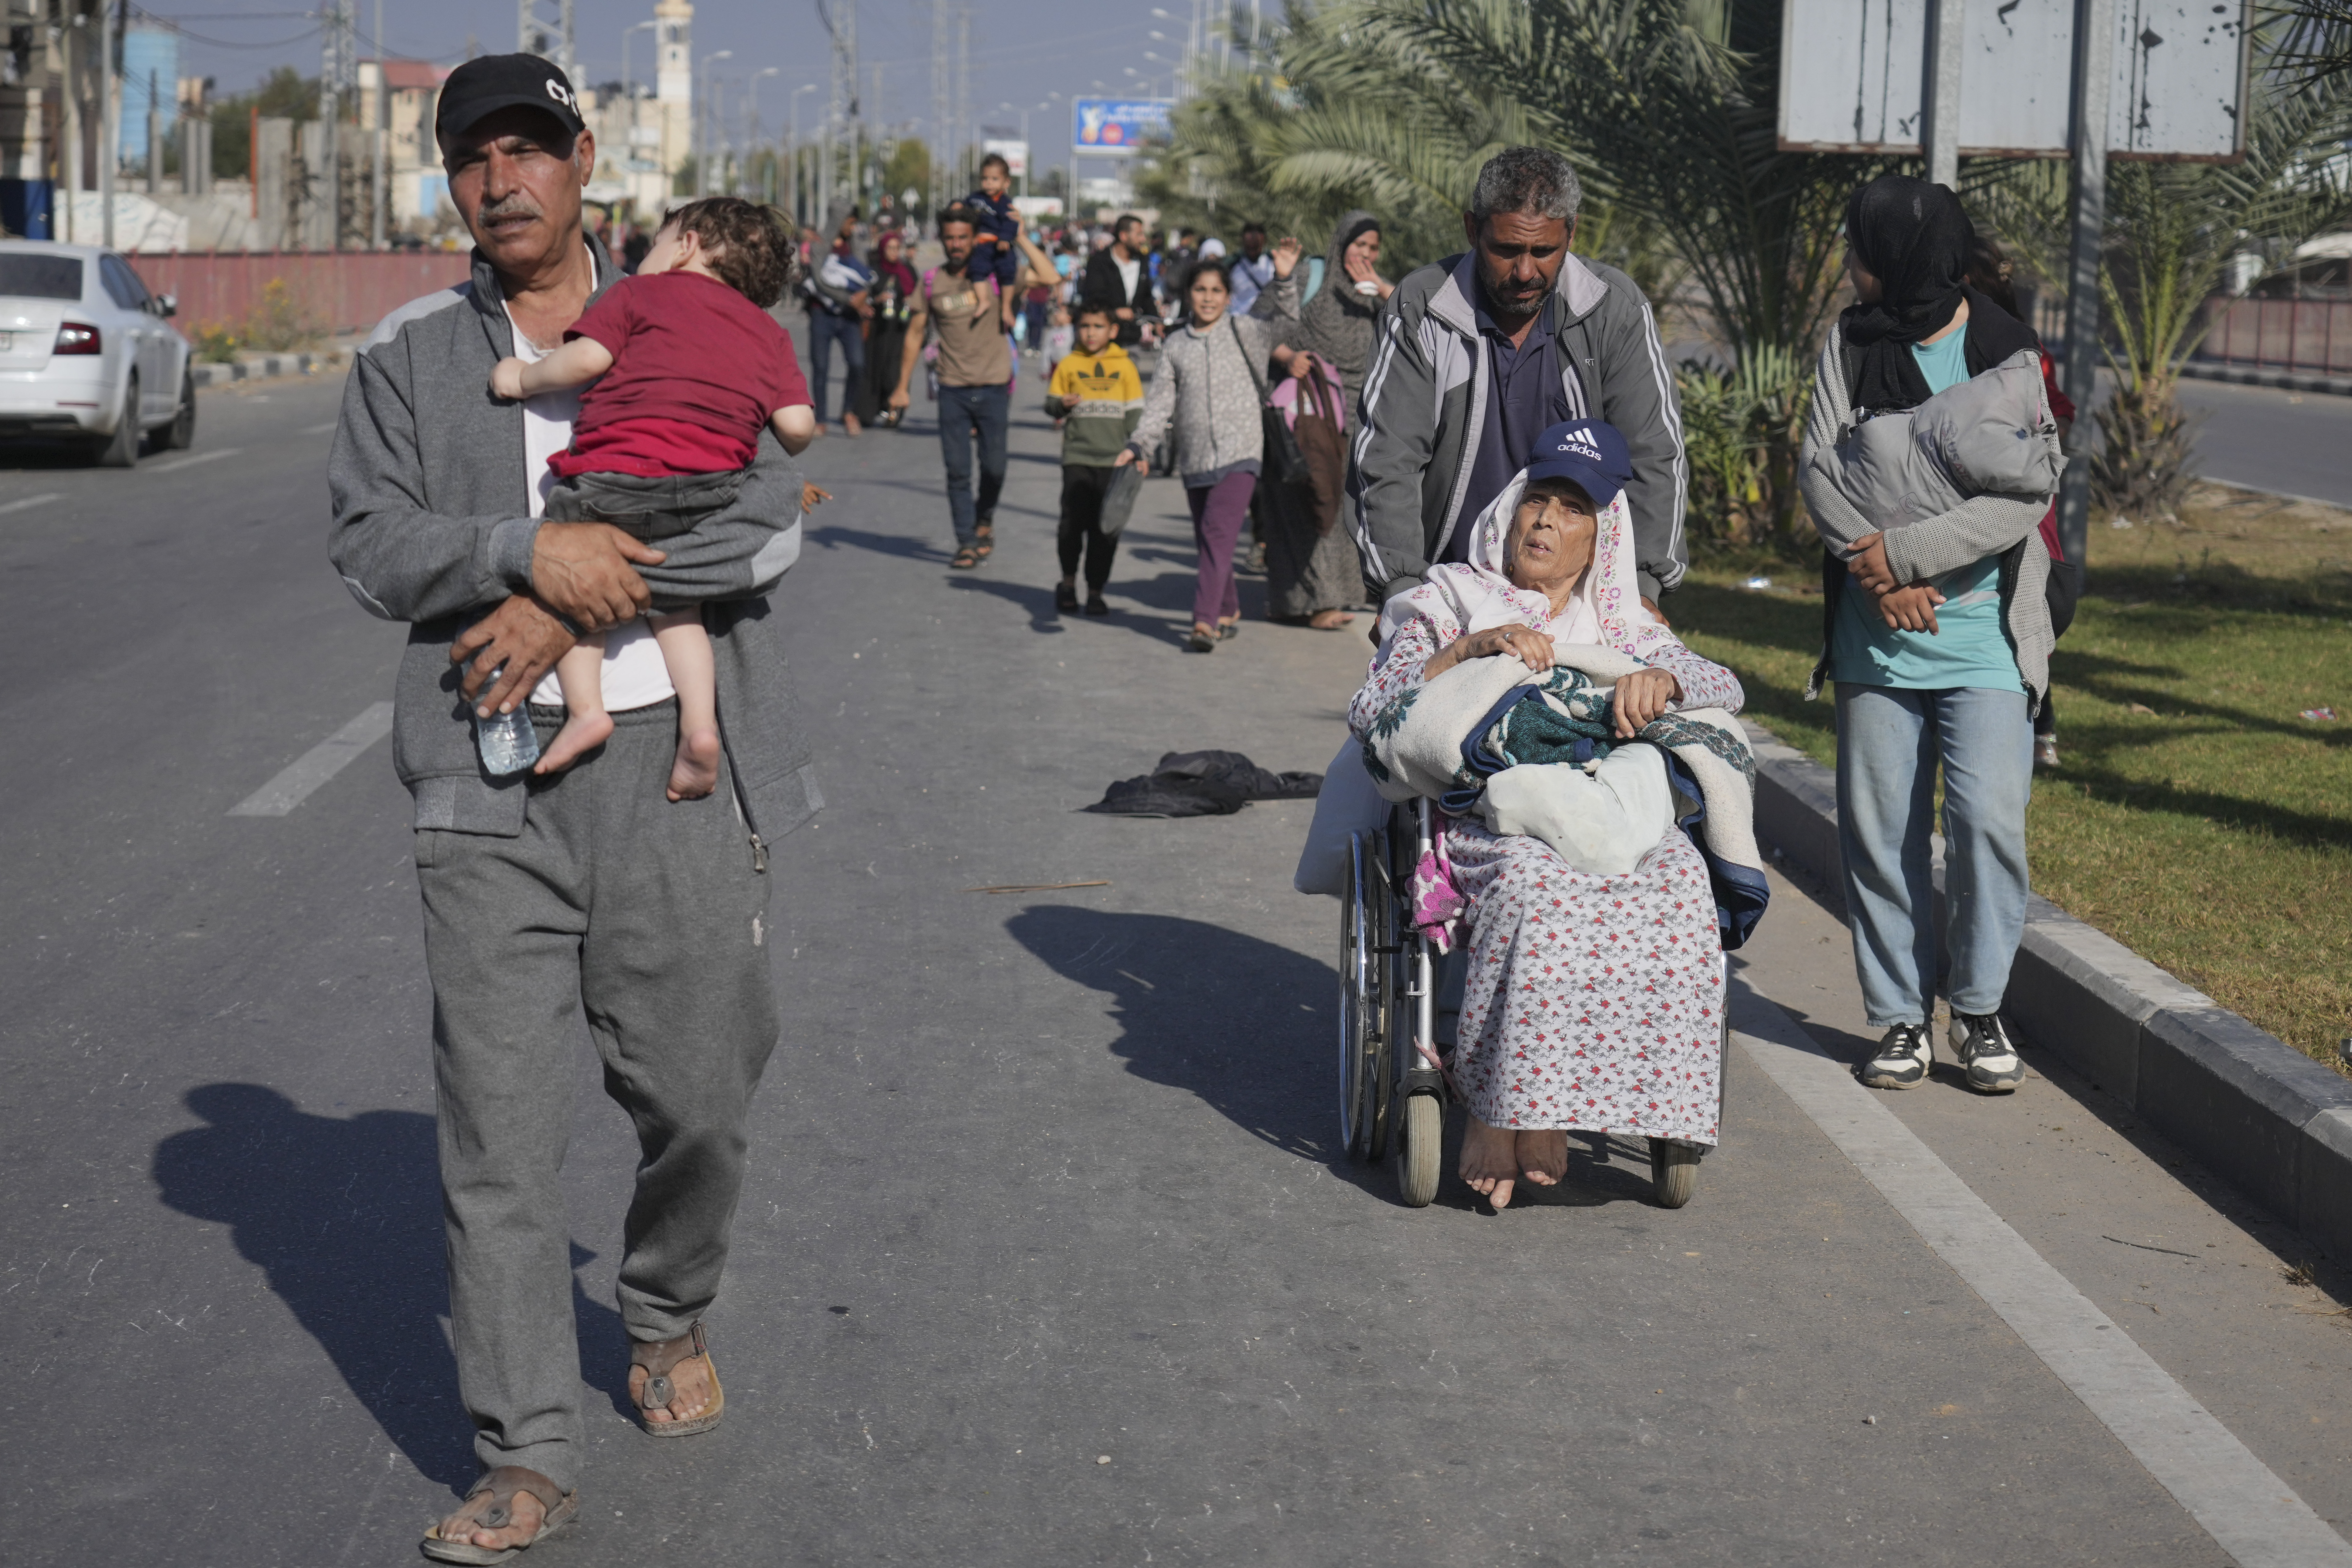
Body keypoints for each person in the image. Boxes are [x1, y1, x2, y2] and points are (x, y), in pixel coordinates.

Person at [327, 54, 821, 1560]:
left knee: (701, 1095)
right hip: (482, 782)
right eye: (474, 158)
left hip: (672, 770)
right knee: (496, 1132)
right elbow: (371, 542)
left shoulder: (704, 305)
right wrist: (519, 557)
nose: (503, 181)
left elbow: (769, 521)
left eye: (528, 149)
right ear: (450, 181)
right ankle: (526, 1447)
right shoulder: (412, 355)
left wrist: (577, 596)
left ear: (584, 158)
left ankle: (665, 1306)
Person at [1347, 418, 1745, 1209]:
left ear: (1600, 537)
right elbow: (1375, 704)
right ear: (1511, 508)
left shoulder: (1623, 625)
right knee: (1539, 888)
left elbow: (1724, 687)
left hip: (1610, 807)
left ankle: (1575, 1100)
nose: (1545, 522)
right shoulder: (1449, 599)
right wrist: (1470, 650)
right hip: (1488, 813)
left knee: (1678, 886)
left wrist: (1663, 683)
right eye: (1538, 500)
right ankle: (1503, 1107)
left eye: (1571, 510)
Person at [1798, 174, 2056, 1097]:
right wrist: (1880, 577)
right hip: (1875, 637)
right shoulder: (1850, 343)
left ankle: (1978, 1008)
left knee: (1986, 821)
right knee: (1880, 834)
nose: (1850, 264)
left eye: (1860, 248)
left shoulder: (2004, 347)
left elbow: (2026, 493)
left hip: (1984, 632)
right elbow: (1818, 469)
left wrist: (1904, 554)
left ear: (1908, 256)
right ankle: (1899, 1017)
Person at [488, 196, 815, 796]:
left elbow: (587, 359)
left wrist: (522, 378)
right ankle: (699, 727)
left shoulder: (639, 294)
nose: (649, 254)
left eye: (659, 241)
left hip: (613, 478)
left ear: (687, 245)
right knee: (680, 609)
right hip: (709, 490)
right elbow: (797, 427)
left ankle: (586, 710)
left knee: (574, 574)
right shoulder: (769, 333)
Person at [1351, 145, 1688, 618]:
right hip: (1444, 593)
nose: (1525, 272)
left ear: (1571, 232)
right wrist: (1402, 590)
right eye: (1506, 250)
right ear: (1473, 230)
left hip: (1579, 603)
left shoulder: (1616, 311)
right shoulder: (1421, 308)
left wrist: (1641, 589)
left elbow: (1655, 455)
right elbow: (1387, 458)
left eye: (1543, 251)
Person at [1116, 241, 1302, 651]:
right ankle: (1228, 608)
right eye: (1200, 290)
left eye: (1216, 291)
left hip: (1241, 453)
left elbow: (1286, 320)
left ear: (1228, 296)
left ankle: (1203, 621)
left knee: (1217, 534)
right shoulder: (1176, 346)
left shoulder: (1246, 330)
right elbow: (1160, 403)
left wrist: (1284, 278)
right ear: (1188, 294)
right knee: (1209, 539)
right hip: (1195, 457)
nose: (1207, 298)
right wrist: (1139, 444)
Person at [1965, 233, 2078, 769]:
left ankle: (2040, 723)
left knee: (2027, 615)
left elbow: (2058, 415)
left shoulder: (2021, 351)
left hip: (2023, 516)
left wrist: (2025, 450)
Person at [889, 206, 1050, 568]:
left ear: (976, 239)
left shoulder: (997, 275)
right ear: (942, 240)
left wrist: (1019, 236)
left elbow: (1048, 276)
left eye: (963, 237)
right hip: (952, 388)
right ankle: (965, 541)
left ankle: (984, 519)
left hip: (995, 387)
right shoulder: (932, 281)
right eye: (950, 238)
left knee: (995, 468)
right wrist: (902, 387)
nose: (956, 245)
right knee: (958, 470)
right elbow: (915, 334)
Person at [1258, 209, 1391, 631]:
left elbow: (1418, 325)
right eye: (1359, 244)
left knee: (1337, 503)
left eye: (1373, 247)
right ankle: (1304, 601)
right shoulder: (1307, 278)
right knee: (1302, 501)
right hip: (1303, 409)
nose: (1365, 254)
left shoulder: (1375, 292)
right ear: (1341, 244)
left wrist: (1382, 290)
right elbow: (1259, 327)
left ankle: (1323, 597)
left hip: (1352, 415)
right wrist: (1287, 357)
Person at [1045, 302, 1146, 615]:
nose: (1091, 333)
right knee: (1071, 525)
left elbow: (1135, 413)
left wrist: (1139, 450)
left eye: (1098, 327)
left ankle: (1095, 590)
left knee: (1105, 529)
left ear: (1112, 331)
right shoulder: (1069, 364)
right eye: (1085, 326)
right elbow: (1051, 403)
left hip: (1114, 462)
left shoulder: (1125, 366)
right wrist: (1062, 404)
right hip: (1077, 457)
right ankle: (1067, 583)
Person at [802, 216, 870, 435]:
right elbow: (818, 280)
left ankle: (848, 411)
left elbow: (866, 276)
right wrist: (849, 299)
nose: (853, 227)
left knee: (857, 364)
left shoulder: (855, 245)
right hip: (822, 314)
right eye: (850, 222)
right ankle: (821, 418)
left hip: (849, 317)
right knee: (821, 367)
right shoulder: (820, 245)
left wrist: (863, 296)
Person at [853, 227, 919, 430]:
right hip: (878, 330)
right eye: (890, 248)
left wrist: (910, 301)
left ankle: (893, 411)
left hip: (900, 330)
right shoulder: (874, 271)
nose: (894, 252)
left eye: (897, 248)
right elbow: (863, 296)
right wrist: (877, 300)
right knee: (874, 370)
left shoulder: (907, 271)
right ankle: (868, 412)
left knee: (895, 372)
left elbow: (918, 295)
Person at [959, 151, 1022, 333]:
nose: (989, 183)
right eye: (985, 179)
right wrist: (956, 207)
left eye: (995, 179)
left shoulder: (1005, 203)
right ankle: (984, 301)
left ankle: (1007, 307)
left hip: (1001, 246)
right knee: (976, 269)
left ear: (1006, 183)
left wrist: (1005, 238)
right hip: (981, 245)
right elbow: (963, 208)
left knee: (1009, 271)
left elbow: (1011, 222)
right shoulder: (975, 199)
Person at [1082, 213, 1159, 348]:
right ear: (1124, 236)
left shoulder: (1142, 262)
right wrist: (1115, 311)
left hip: (1134, 339)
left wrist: (1157, 321)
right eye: (1139, 234)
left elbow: (1147, 296)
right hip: (1105, 340)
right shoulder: (1100, 262)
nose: (1143, 239)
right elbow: (1095, 296)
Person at [1227, 220, 1275, 316]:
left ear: (1264, 242)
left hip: (1266, 318)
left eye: (1256, 246)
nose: (1252, 250)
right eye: (1249, 247)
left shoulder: (1274, 263)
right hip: (1239, 318)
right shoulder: (1232, 265)